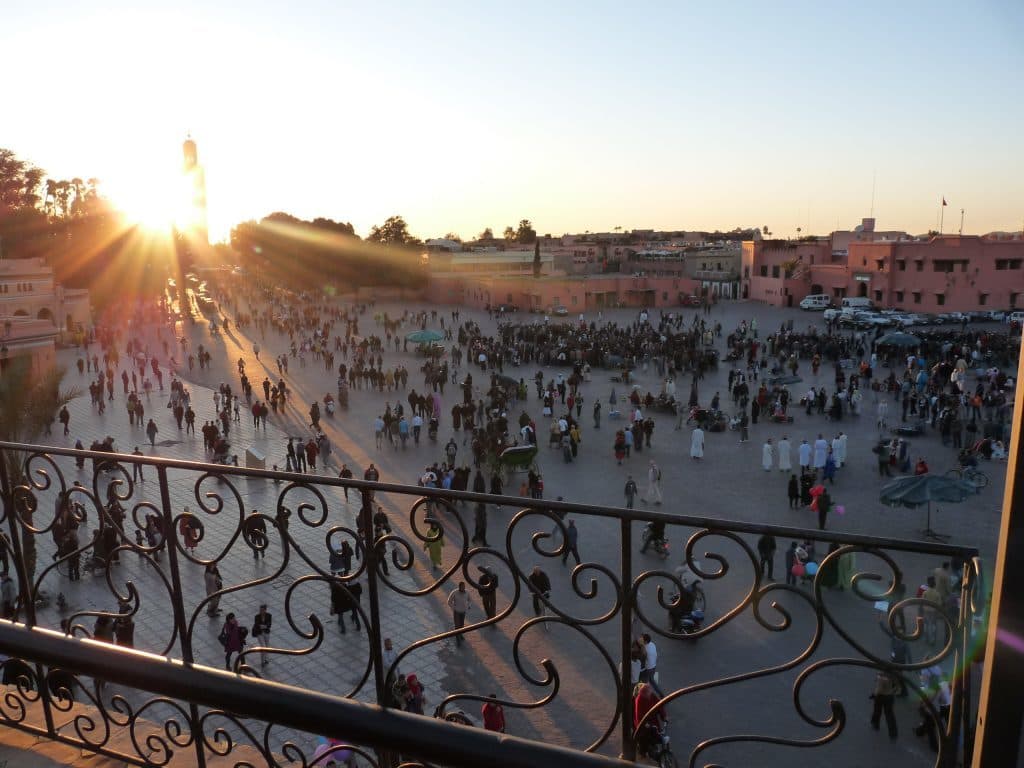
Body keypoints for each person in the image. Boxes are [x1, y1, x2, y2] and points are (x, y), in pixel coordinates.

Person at [633, 682, 667, 759]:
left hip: (653, 721)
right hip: (644, 723)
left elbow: (659, 705)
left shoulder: (652, 695)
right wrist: (645, 724)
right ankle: (642, 752)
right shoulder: (639, 699)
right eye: (647, 692)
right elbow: (639, 715)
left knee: (656, 735)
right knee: (644, 738)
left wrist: (664, 716)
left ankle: (653, 749)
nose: (649, 693)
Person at [870, 669, 899, 741]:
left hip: (881, 696)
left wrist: (873, 695)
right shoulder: (893, 676)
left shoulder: (881, 677)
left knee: (877, 710)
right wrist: (892, 692)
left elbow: (879, 689)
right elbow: (897, 686)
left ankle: (875, 724)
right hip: (890, 697)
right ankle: (893, 733)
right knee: (889, 715)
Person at [446, 581, 472, 646]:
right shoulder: (454, 593)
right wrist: (453, 608)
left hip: (463, 611)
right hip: (457, 611)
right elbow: (449, 601)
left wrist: (468, 605)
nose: (463, 588)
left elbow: (470, 600)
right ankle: (458, 639)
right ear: (459, 587)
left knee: (462, 624)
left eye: (464, 587)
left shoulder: (467, 592)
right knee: (457, 625)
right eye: (462, 587)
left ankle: (460, 635)